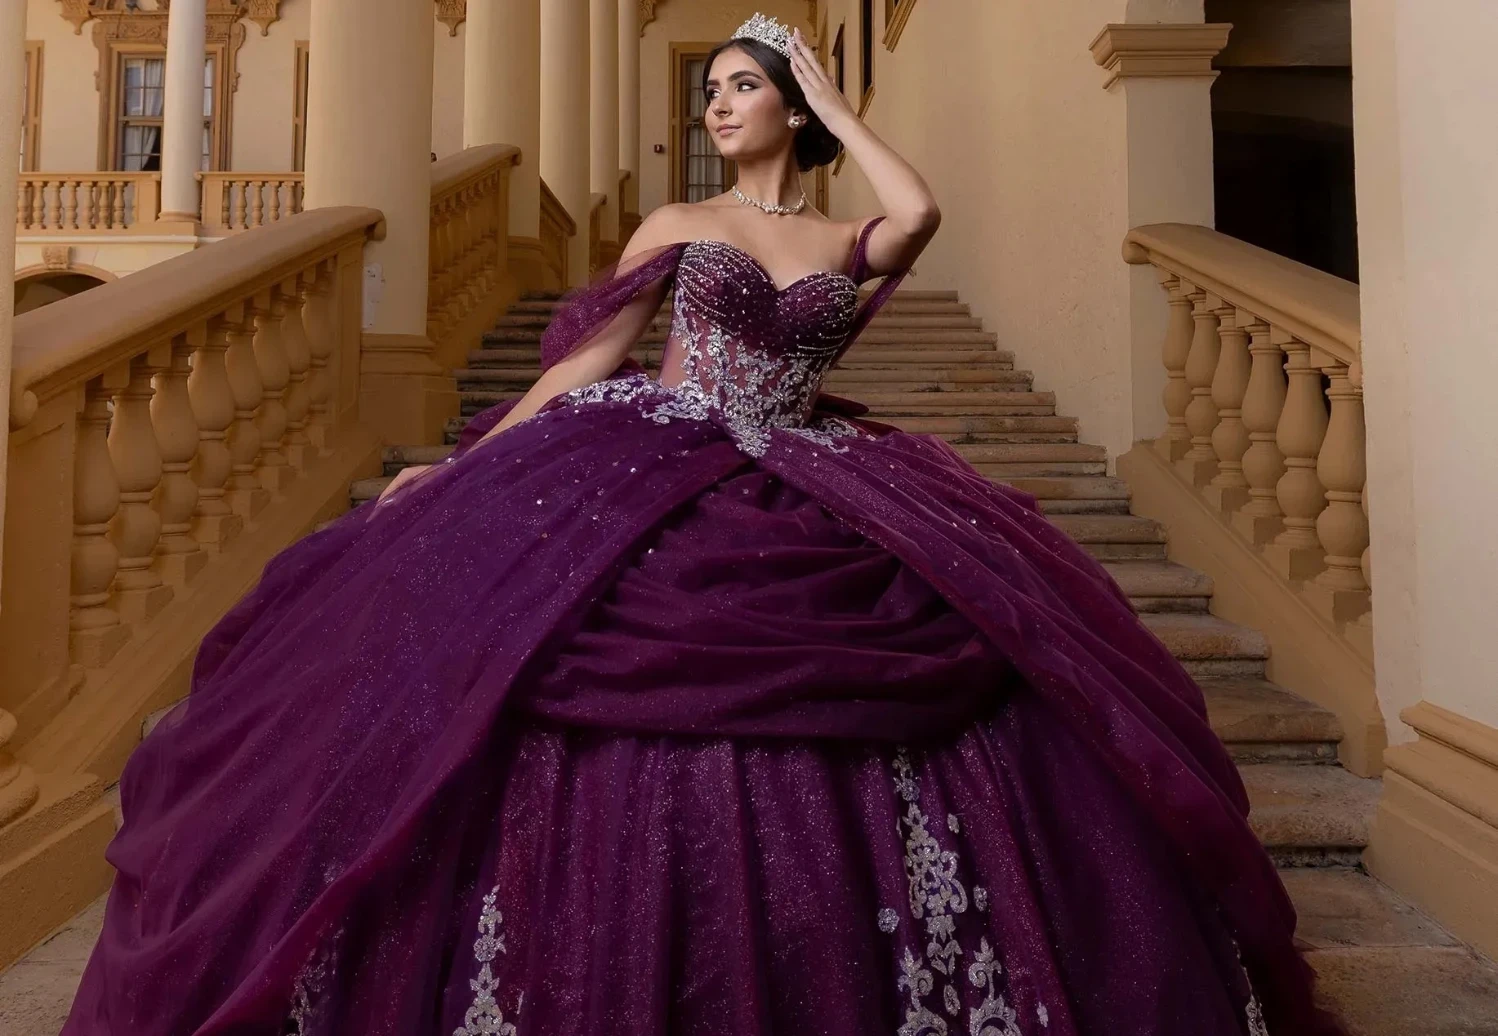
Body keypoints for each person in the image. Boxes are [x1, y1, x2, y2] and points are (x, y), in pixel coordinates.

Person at [62, 14, 1342, 1036]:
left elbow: (922, 214)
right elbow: (582, 365)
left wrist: (834, 96)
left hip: (812, 464)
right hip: (652, 447)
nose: (718, 103)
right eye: (711, 87)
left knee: (964, 660)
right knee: (527, 645)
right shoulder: (676, 223)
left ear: (789, 108)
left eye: (742, 86)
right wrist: (466, 465)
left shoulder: (851, 231)